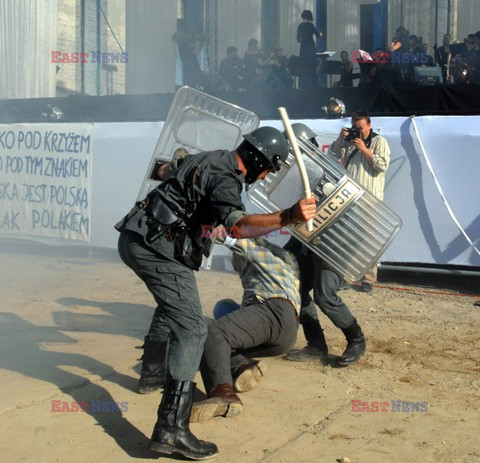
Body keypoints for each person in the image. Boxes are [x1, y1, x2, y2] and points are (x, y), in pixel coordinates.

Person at [115, 126, 316, 460]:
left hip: (138, 238)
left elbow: (166, 169)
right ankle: (170, 429)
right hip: (158, 249)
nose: (265, 175)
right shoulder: (226, 176)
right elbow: (238, 226)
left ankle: (152, 377)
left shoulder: (209, 158)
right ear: (256, 159)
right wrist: (288, 216)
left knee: (176, 310)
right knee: (194, 331)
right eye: (267, 168)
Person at [190, 226, 300, 422]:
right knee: (225, 338)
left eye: (234, 261)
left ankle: (222, 394)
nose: (234, 267)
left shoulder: (258, 252)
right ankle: (242, 368)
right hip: (287, 334)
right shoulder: (285, 265)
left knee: (214, 334)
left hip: (272, 312)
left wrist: (204, 229)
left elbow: (235, 240)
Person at [281, 123, 366, 367]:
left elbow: (330, 213)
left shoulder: (327, 172)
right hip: (316, 241)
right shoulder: (305, 174)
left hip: (340, 241)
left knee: (325, 294)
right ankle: (316, 344)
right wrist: (292, 248)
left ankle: (356, 340)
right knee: (297, 289)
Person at [328, 111, 391, 293]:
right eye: (355, 128)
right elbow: (332, 154)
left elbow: (382, 166)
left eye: (361, 128)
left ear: (369, 125)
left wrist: (364, 148)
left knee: (369, 240)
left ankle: (368, 279)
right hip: (349, 197)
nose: (358, 132)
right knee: (347, 238)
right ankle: (345, 277)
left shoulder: (380, 142)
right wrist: (341, 138)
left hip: (370, 198)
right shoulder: (349, 141)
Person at [297, 9, 322, 90]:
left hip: (303, 48)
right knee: (312, 66)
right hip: (311, 48)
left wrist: (303, 40)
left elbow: (298, 39)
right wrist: (321, 34)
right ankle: (313, 86)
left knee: (303, 66)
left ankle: (302, 86)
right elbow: (318, 35)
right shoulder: (311, 26)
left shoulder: (300, 26)